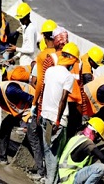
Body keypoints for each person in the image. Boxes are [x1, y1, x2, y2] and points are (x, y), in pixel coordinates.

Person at [40, 42, 80, 184]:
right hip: (57, 120)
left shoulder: (50, 70)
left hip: (44, 116)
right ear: (71, 59)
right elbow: (63, 100)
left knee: (48, 151)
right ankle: (52, 181)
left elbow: (45, 91)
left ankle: (49, 179)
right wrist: (57, 121)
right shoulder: (68, 76)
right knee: (57, 154)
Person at [58, 117, 104, 184]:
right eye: (98, 136)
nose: (97, 140)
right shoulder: (86, 142)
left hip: (67, 178)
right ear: (94, 132)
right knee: (100, 168)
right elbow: (102, 158)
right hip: (70, 179)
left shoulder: (77, 138)